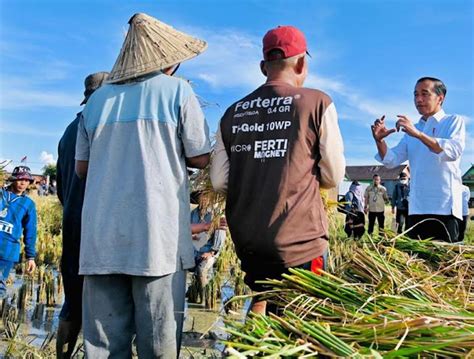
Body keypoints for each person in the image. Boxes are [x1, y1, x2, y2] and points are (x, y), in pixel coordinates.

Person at [75, 13, 210, 358]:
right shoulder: (178, 92)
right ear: (168, 61)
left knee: (103, 347)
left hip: (101, 241)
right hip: (156, 242)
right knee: (159, 345)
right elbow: (199, 157)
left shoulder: (97, 101)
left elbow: (81, 169)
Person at [210, 25, 345, 315]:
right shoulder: (317, 102)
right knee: (303, 314)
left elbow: (220, 181)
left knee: (261, 296)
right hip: (300, 239)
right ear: (301, 63)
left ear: (263, 66)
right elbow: (333, 175)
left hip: (249, 239)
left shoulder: (233, 112)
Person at [371, 77, 465, 242]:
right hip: (417, 207)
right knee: (416, 262)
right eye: (415, 95)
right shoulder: (413, 130)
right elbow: (391, 159)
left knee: (442, 264)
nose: (418, 99)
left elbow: (453, 151)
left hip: (444, 207)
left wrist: (418, 134)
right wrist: (379, 141)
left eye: (424, 94)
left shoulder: (452, 121)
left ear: (440, 98)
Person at [55, 71, 108, 359]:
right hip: (98, 225)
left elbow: (63, 191)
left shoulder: (68, 131)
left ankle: (62, 355)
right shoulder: (102, 126)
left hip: (73, 221)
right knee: (103, 302)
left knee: (73, 299)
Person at [0, 166, 37, 298]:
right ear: (13, 179)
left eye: (27, 180)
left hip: (8, 251)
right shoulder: (1, 194)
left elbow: (30, 231)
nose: (23, 183)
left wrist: (31, 257)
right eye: (20, 179)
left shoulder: (28, 204)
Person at [188, 191, 227, 304]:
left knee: (201, 269)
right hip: (194, 249)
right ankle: (192, 294)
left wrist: (212, 252)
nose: (204, 200)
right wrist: (193, 236)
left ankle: (206, 300)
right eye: (202, 197)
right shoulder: (193, 213)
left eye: (206, 197)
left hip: (210, 251)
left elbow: (220, 233)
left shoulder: (216, 214)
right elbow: (189, 230)